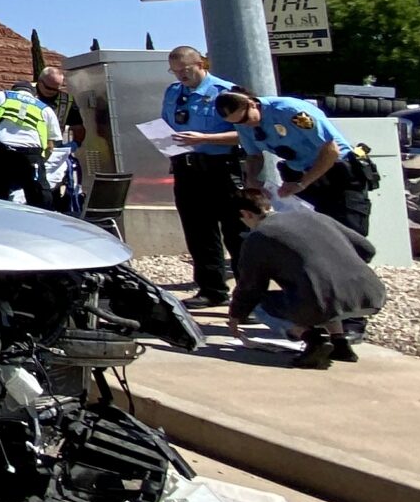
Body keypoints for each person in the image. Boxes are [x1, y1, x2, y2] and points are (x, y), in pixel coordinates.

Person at [227, 188, 386, 369]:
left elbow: (250, 287)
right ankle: (340, 343)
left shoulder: (259, 236)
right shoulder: (315, 217)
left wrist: (236, 315)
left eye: (242, 220)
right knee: (319, 289)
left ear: (246, 214)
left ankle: (312, 341)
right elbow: (367, 249)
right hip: (370, 295)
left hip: (321, 302)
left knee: (262, 304)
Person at [218, 90, 373, 238]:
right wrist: (252, 179)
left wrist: (302, 183)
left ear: (252, 104)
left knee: (348, 231)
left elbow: (331, 150)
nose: (244, 125)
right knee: (309, 232)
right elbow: (254, 155)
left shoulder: (290, 111)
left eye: (245, 119)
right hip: (301, 175)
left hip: (336, 173)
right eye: (237, 122)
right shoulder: (242, 124)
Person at [161, 46, 247, 306]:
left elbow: (246, 134)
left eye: (184, 70)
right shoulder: (173, 92)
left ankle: (249, 296)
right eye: (175, 71)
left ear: (201, 65)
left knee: (237, 232)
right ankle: (212, 290)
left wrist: (206, 138)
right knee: (198, 232)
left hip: (221, 168)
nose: (180, 76)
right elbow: (167, 124)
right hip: (186, 168)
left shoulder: (226, 92)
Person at [0, 71, 64, 210]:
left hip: (0, 152)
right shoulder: (44, 108)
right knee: (40, 199)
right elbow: (50, 145)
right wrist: (41, 160)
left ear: (13, 90)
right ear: (33, 93)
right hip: (30, 155)